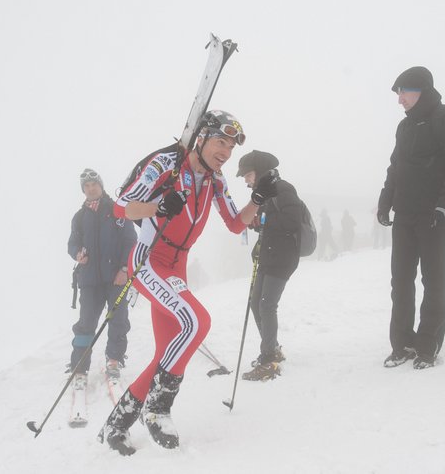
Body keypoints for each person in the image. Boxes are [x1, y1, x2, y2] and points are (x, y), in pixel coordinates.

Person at [97, 110, 276, 455]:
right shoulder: (167, 163)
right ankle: (158, 407)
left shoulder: (217, 180)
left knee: (167, 353)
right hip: (149, 258)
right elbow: (120, 207)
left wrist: (256, 199)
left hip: (176, 268)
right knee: (197, 322)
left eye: (230, 147)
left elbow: (236, 225)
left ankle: (117, 424)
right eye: (220, 142)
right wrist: (158, 205)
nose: (225, 151)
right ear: (202, 137)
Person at [377, 66, 445, 370]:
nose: (399, 99)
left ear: (420, 90)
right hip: (405, 214)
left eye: (403, 92)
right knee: (401, 281)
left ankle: (428, 345)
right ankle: (402, 344)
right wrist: (385, 200)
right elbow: (396, 167)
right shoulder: (404, 128)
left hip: (434, 215)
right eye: (398, 94)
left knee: (434, 280)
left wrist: (444, 205)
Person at [235, 150, 302, 381]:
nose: (245, 179)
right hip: (267, 255)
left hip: (282, 257)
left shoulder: (283, 188)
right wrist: (257, 223)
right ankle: (272, 348)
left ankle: (269, 360)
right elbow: (268, 223)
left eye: (248, 174)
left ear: (260, 171)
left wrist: (263, 222)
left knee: (266, 304)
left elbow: (293, 220)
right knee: (256, 302)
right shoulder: (262, 194)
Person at [67, 168, 137, 381]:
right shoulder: (79, 218)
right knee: (86, 323)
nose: (90, 189)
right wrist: (77, 253)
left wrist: (125, 269)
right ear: (83, 190)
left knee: (118, 319)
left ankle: (114, 360)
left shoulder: (117, 210)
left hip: (116, 277)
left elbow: (130, 241)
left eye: (93, 184)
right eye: (86, 186)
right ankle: (79, 366)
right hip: (89, 280)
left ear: (101, 185)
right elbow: (72, 244)